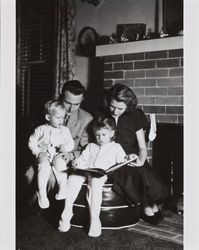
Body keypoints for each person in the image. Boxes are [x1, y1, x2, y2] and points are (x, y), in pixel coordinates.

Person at [97, 83, 169, 225]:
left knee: (155, 184)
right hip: (113, 158)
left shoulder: (136, 115)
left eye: (120, 108)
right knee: (134, 174)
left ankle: (148, 203)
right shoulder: (100, 114)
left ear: (128, 106)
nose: (115, 111)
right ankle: (147, 206)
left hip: (133, 156)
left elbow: (142, 147)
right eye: (112, 106)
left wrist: (141, 160)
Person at [25, 80, 93, 204]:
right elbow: (32, 137)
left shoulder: (87, 119)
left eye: (76, 104)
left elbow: (86, 148)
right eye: (68, 103)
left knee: (52, 178)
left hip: (65, 160)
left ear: (82, 100)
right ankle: (29, 208)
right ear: (61, 96)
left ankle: (42, 211)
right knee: (28, 174)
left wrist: (70, 155)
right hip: (41, 156)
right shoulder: (46, 110)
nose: (71, 108)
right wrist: (39, 149)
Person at [58, 116, 127, 237]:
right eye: (97, 135)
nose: (100, 138)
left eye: (104, 135)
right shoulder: (90, 146)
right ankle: (67, 211)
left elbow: (122, 161)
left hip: (101, 175)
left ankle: (94, 219)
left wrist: (128, 159)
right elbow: (82, 159)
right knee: (73, 178)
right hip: (85, 171)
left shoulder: (116, 147)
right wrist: (77, 163)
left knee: (95, 183)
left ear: (112, 133)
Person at [28, 100, 74, 208]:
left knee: (61, 164)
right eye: (58, 118)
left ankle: (63, 188)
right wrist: (38, 152)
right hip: (44, 155)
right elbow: (31, 142)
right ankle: (42, 193)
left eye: (63, 117)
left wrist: (65, 148)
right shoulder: (40, 129)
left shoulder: (65, 130)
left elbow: (71, 144)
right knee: (44, 167)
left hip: (57, 155)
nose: (61, 120)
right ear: (48, 117)